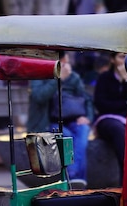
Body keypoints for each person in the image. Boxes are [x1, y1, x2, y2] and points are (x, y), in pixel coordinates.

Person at [28, 52, 93, 188]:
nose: (66, 66)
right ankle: (75, 177)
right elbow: (39, 97)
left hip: (73, 119)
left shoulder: (73, 77)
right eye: (63, 63)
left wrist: (87, 117)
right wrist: (58, 78)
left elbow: (86, 99)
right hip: (49, 122)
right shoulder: (39, 75)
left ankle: (76, 177)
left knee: (83, 131)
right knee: (67, 136)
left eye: (67, 62)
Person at [93, 52, 127, 180]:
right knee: (118, 130)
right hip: (107, 120)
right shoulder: (105, 78)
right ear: (112, 59)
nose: (125, 61)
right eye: (122, 57)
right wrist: (125, 103)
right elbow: (101, 104)